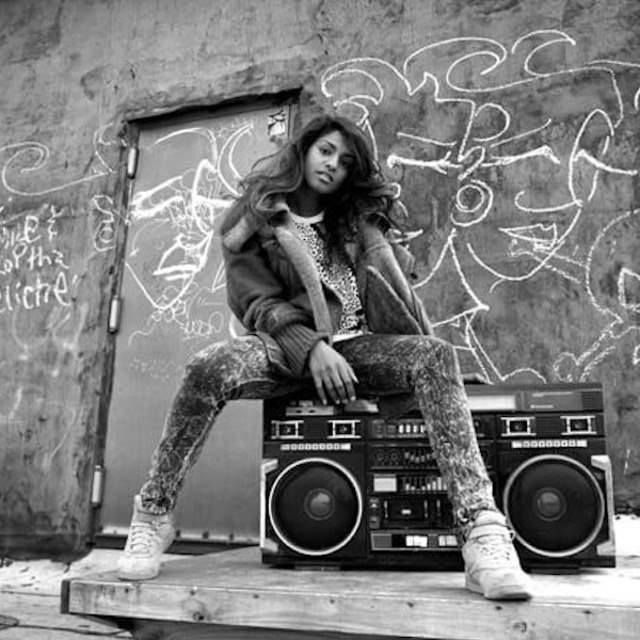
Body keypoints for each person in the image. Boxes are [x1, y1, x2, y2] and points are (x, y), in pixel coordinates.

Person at [116, 113, 532, 601]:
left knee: (435, 355)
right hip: (284, 346)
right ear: (304, 149)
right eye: (326, 151)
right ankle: (153, 513)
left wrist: (389, 260)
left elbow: (397, 296)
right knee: (208, 367)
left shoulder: (357, 220)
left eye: (346, 160)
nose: (334, 164)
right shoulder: (255, 217)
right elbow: (256, 301)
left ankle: (481, 533)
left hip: (360, 349)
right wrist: (312, 347)